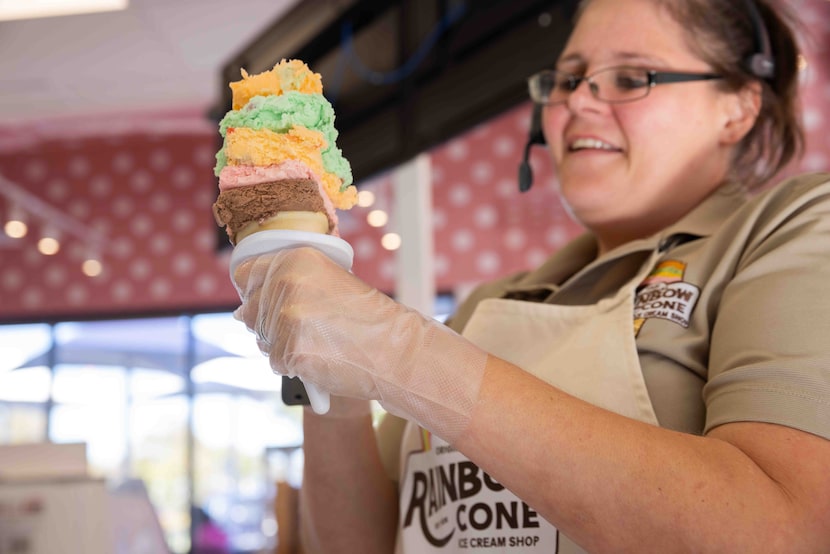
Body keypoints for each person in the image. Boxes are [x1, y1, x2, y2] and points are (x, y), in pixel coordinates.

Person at [233, 0, 830, 551]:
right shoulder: (493, 304)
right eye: (569, 79)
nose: (579, 104)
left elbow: (784, 530)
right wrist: (331, 380)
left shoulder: (792, 231)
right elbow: (364, 542)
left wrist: (401, 352)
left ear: (739, 106)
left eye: (631, 77)